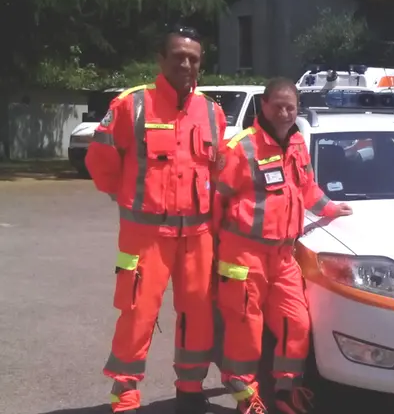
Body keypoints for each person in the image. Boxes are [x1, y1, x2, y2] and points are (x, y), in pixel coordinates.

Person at [85, 25, 226, 414]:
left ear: (200, 64)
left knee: (197, 310)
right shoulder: (133, 105)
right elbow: (100, 161)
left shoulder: (213, 113)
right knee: (137, 311)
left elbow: (218, 172)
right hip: (145, 234)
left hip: (197, 235)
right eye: (178, 56)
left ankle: (190, 386)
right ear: (161, 60)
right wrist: (125, 196)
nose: (185, 63)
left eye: (193, 58)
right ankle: (126, 394)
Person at [213, 77, 352, 414]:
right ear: (264, 105)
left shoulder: (296, 144)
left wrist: (332, 210)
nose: (285, 113)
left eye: (291, 107)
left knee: (297, 324)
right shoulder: (241, 148)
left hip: (283, 256)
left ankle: (285, 391)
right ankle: (247, 397)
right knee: (246, 330)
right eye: (279, 106)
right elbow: (215, 203)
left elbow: (306, 189)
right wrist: (214, 254)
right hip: (243, 256)